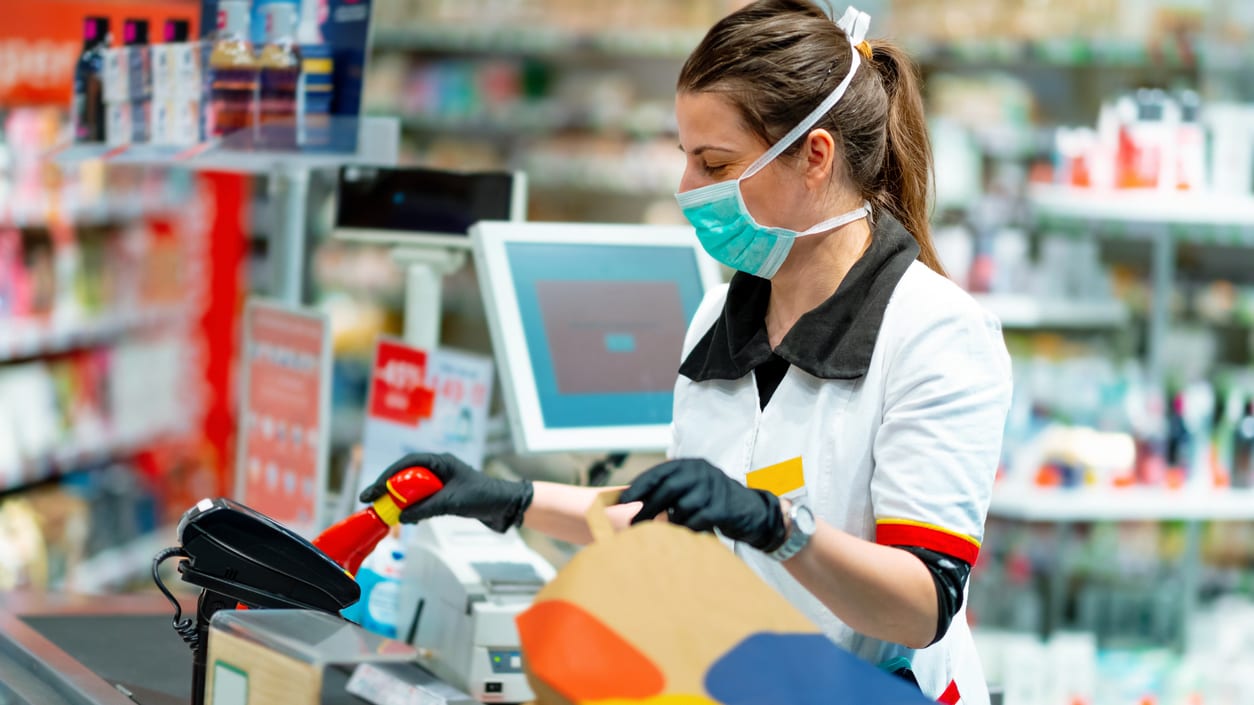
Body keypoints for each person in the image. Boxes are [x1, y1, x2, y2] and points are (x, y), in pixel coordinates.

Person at [362, 1, 1012, 701]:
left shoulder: (933, 332)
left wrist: (777, 524)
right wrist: (507, 498)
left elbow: (920, 604)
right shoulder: (719, 317)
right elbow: (677, 516)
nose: (687, 190)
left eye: (714, 163)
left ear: (815, 157)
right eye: (686, 159)